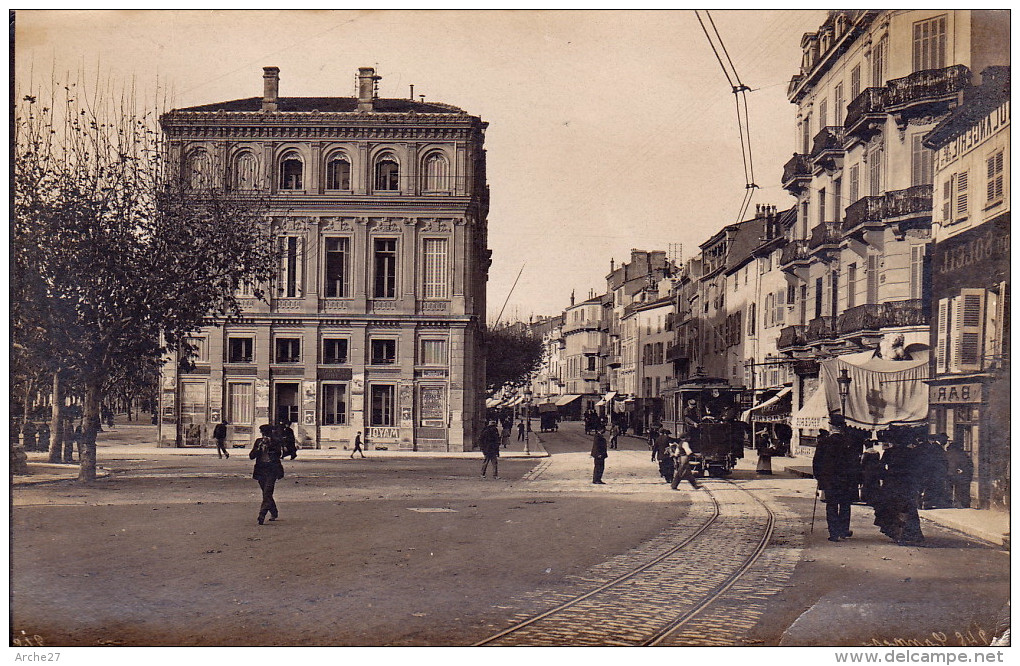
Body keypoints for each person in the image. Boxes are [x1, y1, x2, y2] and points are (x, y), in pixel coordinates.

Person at [812, 417, 859, 542]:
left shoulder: (824, 443)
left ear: (831, 427)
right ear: (842, 427)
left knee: (831, 505)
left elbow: (817, 463)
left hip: (830, 480)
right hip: (846, 480)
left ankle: (833, 533)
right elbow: (855, 463)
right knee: (845, 504)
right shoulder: (849, 442)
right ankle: (843, 530)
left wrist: (819, 478)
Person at [881, 433, 924, 545]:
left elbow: (881, 467)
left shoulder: (889, 452)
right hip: (907, 484)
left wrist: (887, 475)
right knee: (908, 508)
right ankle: (909, 533)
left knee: (893, 508)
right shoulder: (912, 453)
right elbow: (918, 469)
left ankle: (896, 533)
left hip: (892, 484)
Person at [250, 423, 296, 525]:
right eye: (263, 434)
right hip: (261, 471)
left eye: (266, 434)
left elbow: (278, 455)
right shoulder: (258, 442)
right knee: (266, 494)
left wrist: (269, 446)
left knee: (267, 492)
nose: (265, 436)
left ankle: (261, 515)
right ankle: (274, 512)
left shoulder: (276, 442)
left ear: (271, 433)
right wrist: (259, 449)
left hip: (272, 471)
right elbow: (251, 456)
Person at [945, 438, 972, 508]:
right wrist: (962, 470)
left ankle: (949, 504)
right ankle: (959, 504)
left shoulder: (946, 454)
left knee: (948, 489)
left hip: (948, 474)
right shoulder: (963, 454)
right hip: (958, 474)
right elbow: (968, 464)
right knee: (959, 489)